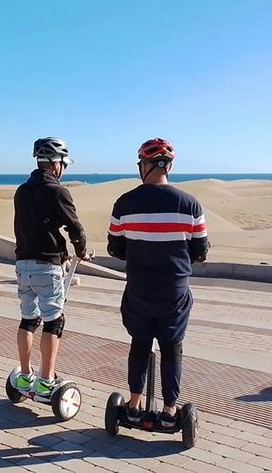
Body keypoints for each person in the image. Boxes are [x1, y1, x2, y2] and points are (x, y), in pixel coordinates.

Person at [107, 138, 209, 427]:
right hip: (174, 289)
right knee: (171, 347)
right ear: (170, 166)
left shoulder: (125, 202)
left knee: (139, 344)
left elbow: (115, 248)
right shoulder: (190, 204)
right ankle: (169, 411)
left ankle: (135, 406)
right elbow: (200, 251)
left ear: (144, 165)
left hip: (139, 287)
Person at [13, 137, 90, 401]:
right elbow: (76, 229)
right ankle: (46, 382)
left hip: (22, 264)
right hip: (47, 266)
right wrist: (82, 252)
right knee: (54, 322)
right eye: (64, 164)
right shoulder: (58, 191)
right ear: (56, 164)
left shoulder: (22, 191)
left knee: (28, 319)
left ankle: (24, 376)